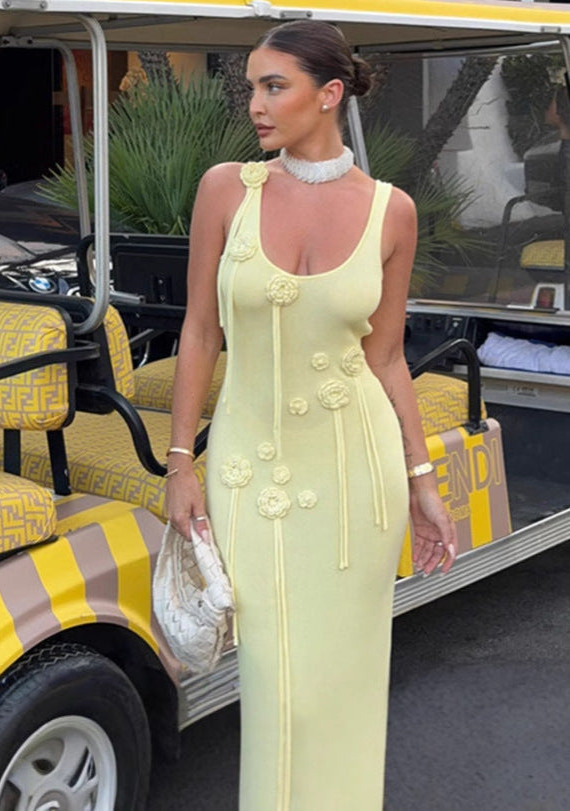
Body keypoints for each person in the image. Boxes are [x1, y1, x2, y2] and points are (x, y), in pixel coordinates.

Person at [167, 19, 456, 810]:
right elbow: (200, 331)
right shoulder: (226, 189)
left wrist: (423, 480)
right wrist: (180, 459)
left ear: (329, 94)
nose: (255, 106)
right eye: (252, 88)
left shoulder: (392, 211)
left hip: (355, 480)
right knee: (276, 689)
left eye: (274, 86)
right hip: (245, 472)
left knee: (341, 686)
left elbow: (386, 357)